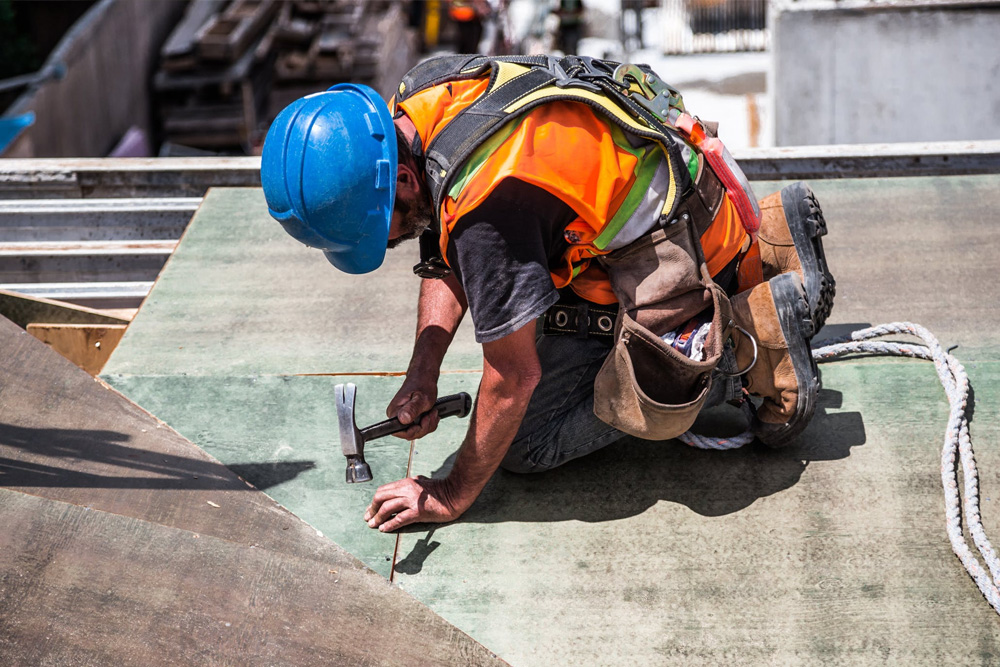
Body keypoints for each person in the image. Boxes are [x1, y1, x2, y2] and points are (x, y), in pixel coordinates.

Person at [261, 55, 835, 533]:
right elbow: (444, 246)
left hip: (682, 257)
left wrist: (451, 492)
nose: (384, 246)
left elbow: (513, 378)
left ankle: (748, 341)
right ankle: (774, 239)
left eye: (376, 232)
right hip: (689, 199)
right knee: (523, 315)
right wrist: (423, 372)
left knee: (528, 443)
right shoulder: (424, 97)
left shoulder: (489, 207)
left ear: (403, 180)